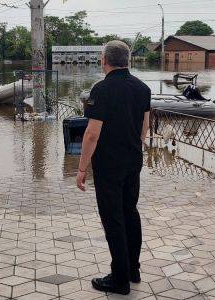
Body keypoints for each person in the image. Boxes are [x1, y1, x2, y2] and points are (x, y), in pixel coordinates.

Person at [76, 40, 151, 295]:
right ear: (127, 60)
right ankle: (133, 269)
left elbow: (92, 134)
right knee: (130, 212)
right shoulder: (143, 88)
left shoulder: (102, 89)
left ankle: (119, 279)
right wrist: (135, 149)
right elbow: (144, 126)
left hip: (109, 165)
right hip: (133, 160)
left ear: (104, 60)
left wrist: (82, 168)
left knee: (113, 218)